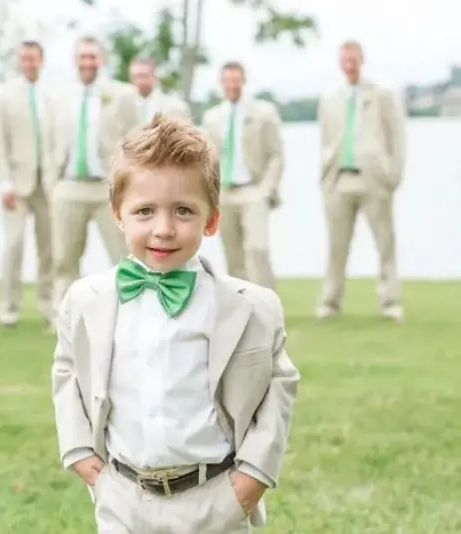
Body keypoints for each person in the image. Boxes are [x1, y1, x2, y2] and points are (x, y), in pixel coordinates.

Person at [51, 114, 300, 533]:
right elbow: (68, 373)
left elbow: (279, 390)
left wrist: (250, 480)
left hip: (215, 497)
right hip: (123, 497)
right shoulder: (86, 300)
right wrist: (82, 457)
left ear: (212, 219)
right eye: (144, 211)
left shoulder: (252, 308)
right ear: (118, 214)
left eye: (183, 210)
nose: (163, 229)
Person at [49, 36, 138, 325]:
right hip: (69, 184)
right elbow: (51, 141)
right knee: (64, 257)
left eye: (93, 57)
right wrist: (52, 180)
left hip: (107, 188)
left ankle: (132, 314)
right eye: (83, 57)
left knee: (124, 254)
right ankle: (63, 318)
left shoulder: (122, 95)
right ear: (76, 60)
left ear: (102, 60)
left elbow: (135, 140)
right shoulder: (59, 96)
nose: (88, 62)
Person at [316, 40, 407, 322]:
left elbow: (397, 139)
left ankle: (390, 302)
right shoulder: (331, 99)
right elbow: (326, 138)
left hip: (374, 181)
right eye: (344, 59)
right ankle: (330, 302)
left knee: (385, 244)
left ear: (361, 59)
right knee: (336, 246)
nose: (349, 64)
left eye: (353, 59)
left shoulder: (382, 95)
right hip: (340, 179)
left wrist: (392, 176)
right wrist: (326, 176)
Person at [0, 41, 56, 328]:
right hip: (17, 185)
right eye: (24, 59)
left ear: (42, 60)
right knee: (13, 246)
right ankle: (8, 308)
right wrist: (4, 184)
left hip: (50, 184)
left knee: (50, 249)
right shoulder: (5, 96)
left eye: (33, 58)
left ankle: (48, 305)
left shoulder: (53, 94)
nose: (28, 63)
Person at [202, 61, 283, 290]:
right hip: (224, 193)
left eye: (235, 80)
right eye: (227, 80)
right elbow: (207, 158)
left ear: (243, 81)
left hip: (253, 189)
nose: (231, 85)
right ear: (221, 83)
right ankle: (243, 304)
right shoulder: (212, 117)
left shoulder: (264, 113)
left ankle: (268, 305)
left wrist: (267, 189)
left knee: (258, 249)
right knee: (233, 256)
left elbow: (276, 155)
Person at [128, 56, 191, 123]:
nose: (140, 81)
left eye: (144, 76)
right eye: (135, 77)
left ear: (154, 77)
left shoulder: (174, 107)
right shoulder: (124, 107)